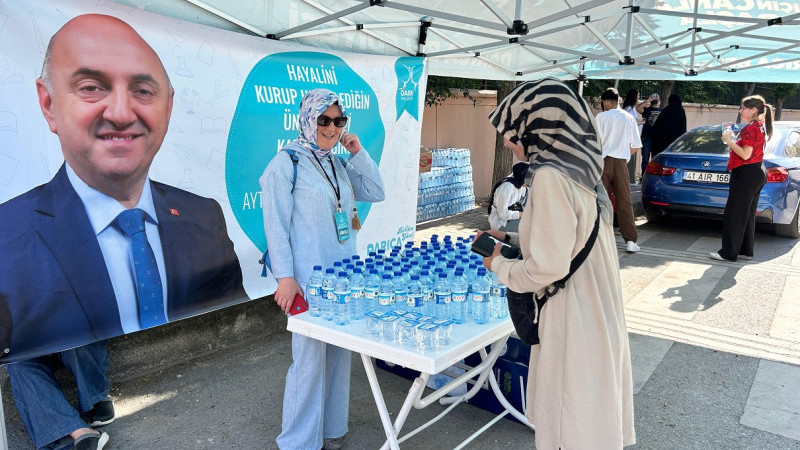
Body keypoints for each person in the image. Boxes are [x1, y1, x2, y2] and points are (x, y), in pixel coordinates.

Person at [0, 14, 246, 450]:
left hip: (102, 345)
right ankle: (72, 434)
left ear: (167, 106)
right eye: (91, 87)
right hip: (31, 348)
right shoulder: (9, 229)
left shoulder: (204, 216)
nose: (120, 112)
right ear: (48, 104)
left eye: (143, 91)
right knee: (23, 357)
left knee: (74, 328)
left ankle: (95, 403)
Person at [481, 78, 635, 450]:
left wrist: (498, 265)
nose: (506, 141)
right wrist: (512, 240)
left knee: (570, 423)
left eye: (513, 130)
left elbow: (546, 269)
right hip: (596, 312)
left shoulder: (550, 177)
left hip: (574, 318)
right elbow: (571, 241)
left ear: (539, 128)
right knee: (590, 419)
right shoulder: (583, 172)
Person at [260, 88, 385, 450]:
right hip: (308, 280)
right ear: (307, 120)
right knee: (309, 362)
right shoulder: (285, 164)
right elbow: (275, 225)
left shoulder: (336, 162)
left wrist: (357, 152)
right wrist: (285, 277)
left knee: (338, 356)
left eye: (338, 120)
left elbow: (375, 192)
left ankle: (331, 430)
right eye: (324, 120)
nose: (331, 128)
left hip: (342, 277)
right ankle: (298, 442)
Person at [710, 95, 772, 262]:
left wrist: (728, 141)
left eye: (743, 108)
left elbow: (745, 154)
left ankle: (728, 253)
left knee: (735, 214)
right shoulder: (759, 126)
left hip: (747, 173)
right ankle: (745, 250)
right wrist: (734, 139)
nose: (740, 110)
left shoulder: (751, 128)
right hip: (756, 172)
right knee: (747, 214)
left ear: (753, 110)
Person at [595, 87, 643, 253]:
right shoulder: (629, 118)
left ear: (606, 102)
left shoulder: (600, 117)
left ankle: (594, 238)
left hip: (602, 162)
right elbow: (636, 146)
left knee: (599, 200)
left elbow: (594, 144)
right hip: (621, 162)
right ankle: (630, 240)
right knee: (624, 201)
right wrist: (623, 153)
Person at [488, 161, 530, 232]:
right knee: (531, 228)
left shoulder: (521, 185)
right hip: (502, 223)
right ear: (523, 176)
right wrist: (521, 214)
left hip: (515, 218)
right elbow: (502, 214)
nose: (531, 181)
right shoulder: (506, 187)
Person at [650, 93, 687, 157]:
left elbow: (657, 127)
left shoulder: (666, 111)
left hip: (662, 143)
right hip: (675, 143)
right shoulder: (681, 111)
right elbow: (683, 127)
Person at [622, 89, 644, 182]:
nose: (638, 97)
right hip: (630, 139)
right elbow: (630, 122)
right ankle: (629, 179)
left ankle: (630, 178)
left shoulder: (632, 108)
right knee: (630, 159)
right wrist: (640, 122)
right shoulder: (629, 109)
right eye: (637, 96)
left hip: (632, 138)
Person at [640, 93, 662, 176]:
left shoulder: (662, 110)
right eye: (654, 97)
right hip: (646, 137)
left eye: (657, 97)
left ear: (659, 100)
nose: (655, 98)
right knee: (645, 159)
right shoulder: (647, 110)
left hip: (657, 138)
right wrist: (648, 100)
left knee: (656, 160)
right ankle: (644, 176)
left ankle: (654, 177)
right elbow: (638, 108)